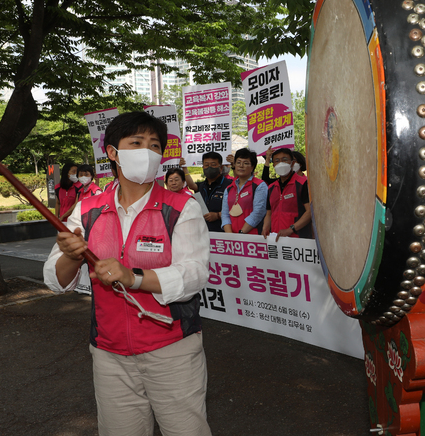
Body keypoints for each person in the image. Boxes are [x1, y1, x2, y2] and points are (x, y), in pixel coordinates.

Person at [43, 111, 211, 436]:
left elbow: (193, 275)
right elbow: (55, 279)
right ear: (112, 153)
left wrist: (133, 277)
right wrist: (69, 254)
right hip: (109, 354)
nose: (147, 152)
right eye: (136, 142)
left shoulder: (181, 207)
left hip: (172, 350)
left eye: (155, 145)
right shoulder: (88, 210)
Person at [261, 148, 312, 240]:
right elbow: (269, 213)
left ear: (292, 163)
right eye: (277, 160)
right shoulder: (271, 187)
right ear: (274, 165)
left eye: (285, 160)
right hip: (276, 237)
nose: (281, 163)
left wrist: (291, 229)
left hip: (298, 238)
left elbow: (310, 212)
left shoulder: (303, 184)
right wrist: (265, 227)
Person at [221, 148, 267, 235]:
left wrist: (241, 233)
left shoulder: (259, 185)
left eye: (246, 163)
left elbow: (258, 213)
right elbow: (225, 214)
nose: (241, 166)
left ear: (252, 166)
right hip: (232, 237)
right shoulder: (229, 188)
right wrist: (230, 235)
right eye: (238, 162)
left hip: (252, 236)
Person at [185, 152, 230, 232]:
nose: (209, 168)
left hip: (223, 233)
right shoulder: (202, 186)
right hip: (203, 232)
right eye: (206, 165)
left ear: (220, 167)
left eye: (213, 164)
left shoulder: (229, 185)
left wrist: (218, 215)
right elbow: (191, 185)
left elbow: (236, 209)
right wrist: (184, 168)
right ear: (203, 167)